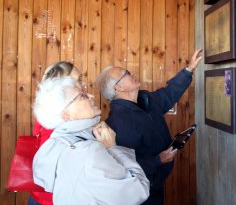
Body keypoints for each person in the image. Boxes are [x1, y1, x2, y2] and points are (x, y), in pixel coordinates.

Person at [95, 49, 202, 204]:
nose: (132, 73)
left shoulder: (144, 99)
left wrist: (188, 69)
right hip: (143, 192)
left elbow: (168, 94)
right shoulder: (118, 122)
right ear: (118, 88)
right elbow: (123, 165)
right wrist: (158, 160)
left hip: (157, 182)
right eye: (126, 74)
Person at [32, 76, 150, 204]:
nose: (91, 96)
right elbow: (139, 191)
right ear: (66, 115)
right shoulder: (87, 153)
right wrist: (113, 148)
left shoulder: (53, 145)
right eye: (82, 96)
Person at [30, 61, 85, 205]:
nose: (82, 85)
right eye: (78, 81)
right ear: (61, 86)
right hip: (53, 199)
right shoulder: (60, 118)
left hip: (43, 196)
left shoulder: (49, 111)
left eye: (81, 79)